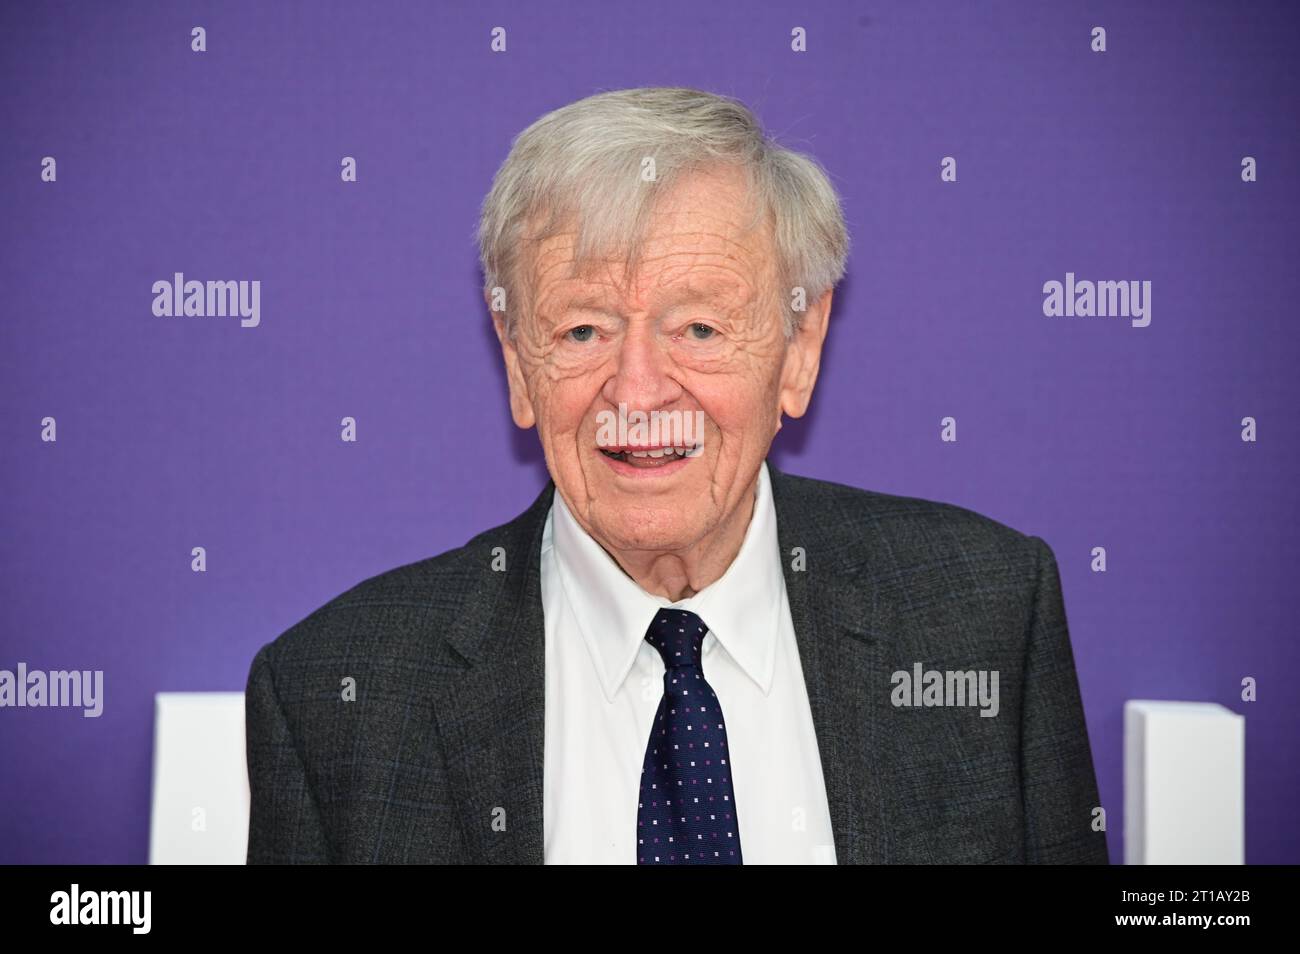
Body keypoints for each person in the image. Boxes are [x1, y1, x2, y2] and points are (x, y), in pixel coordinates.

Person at [245, 86, 1107, 864]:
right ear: (516, 361)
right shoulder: (337, 697)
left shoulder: (985, 615)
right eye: (582, 331)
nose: (638, 391)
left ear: (800, 350)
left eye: (698, 327)